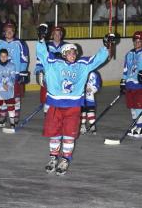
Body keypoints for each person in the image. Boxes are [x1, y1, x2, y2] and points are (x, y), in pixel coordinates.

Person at [35, 30, 115, 175]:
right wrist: (41, 39)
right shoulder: (54, 64)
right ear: (64, 53)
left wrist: (106, 45)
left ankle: (65, 159)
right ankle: (53, 158)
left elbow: (98, 59)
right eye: (70, 52)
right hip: (55, 106)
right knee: (55, 135)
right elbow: (42, 54)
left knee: (69, 135)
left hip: (73, 107)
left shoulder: (82, 66)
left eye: (74, 53)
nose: (73, 55)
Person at [0, 22, 29, 126]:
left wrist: (21, 72)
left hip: (15, 75)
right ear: (4, 32)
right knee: (1, 97)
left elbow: (24, 59)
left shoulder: (20, 43)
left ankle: (15, 116)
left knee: (15, 97)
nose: (9, 32)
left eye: (11, 30)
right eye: (7, 31)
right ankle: (2, 116)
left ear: (14, 32)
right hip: (0, 75)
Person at [120, 31, 142, 138]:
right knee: (132, 106)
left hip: (140, 85)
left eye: (140, 41)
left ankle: (141, 126)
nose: (137, 43)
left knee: (139, 106)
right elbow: (125, 69)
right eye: (135, 41)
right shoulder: (129, 54)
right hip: (130, 84)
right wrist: (123, 82)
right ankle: (135, 124)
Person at [0, 48, 16, 128]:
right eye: (2, 56)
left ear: (7, 56)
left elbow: (13, 77)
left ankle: (12, 121)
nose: (3, 58)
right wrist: (2, 86)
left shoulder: (12, 65)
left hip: (9, 89)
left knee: (11, 105)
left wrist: (8, 85)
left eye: (5, 56)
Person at [80, 71, 101, 135]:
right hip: (81, 96)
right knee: (82, 111)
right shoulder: (81, 70)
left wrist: (92, 89)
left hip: (90, 97)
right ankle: (82, 125)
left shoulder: (94, 74)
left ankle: (92, 124)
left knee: (90, 110)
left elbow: (98, 85)